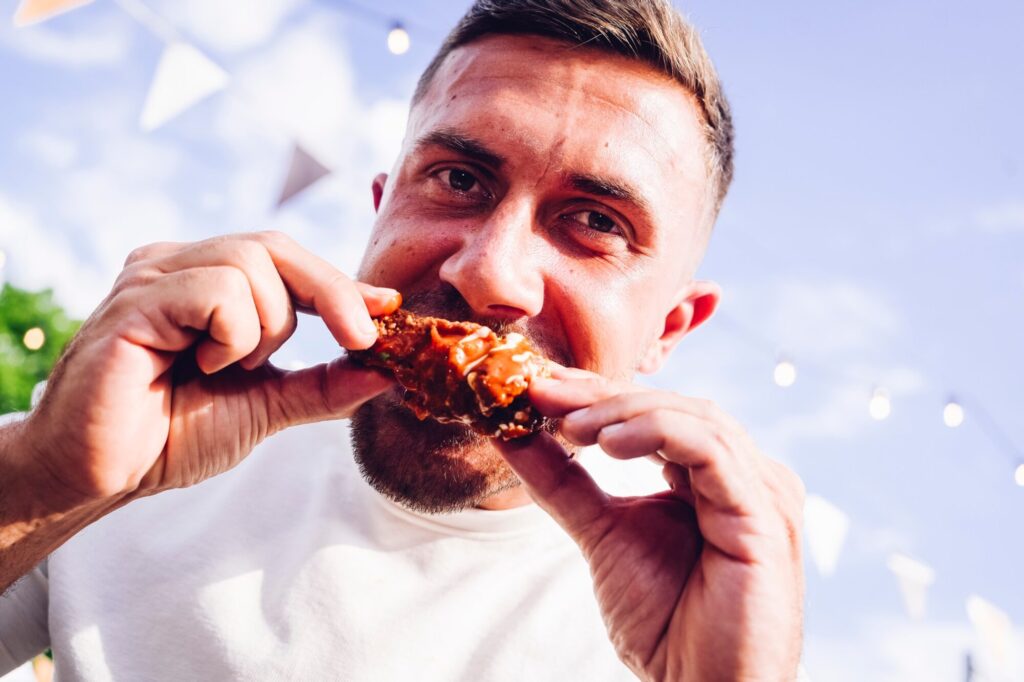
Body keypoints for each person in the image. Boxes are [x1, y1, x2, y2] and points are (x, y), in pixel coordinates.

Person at [0, 0, 807, 679]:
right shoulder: (146, 437)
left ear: (668, 329)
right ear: (382, 207)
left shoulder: (684, 605)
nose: (488, 274)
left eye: (596, 222)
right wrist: (43, 478)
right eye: (459, 179)